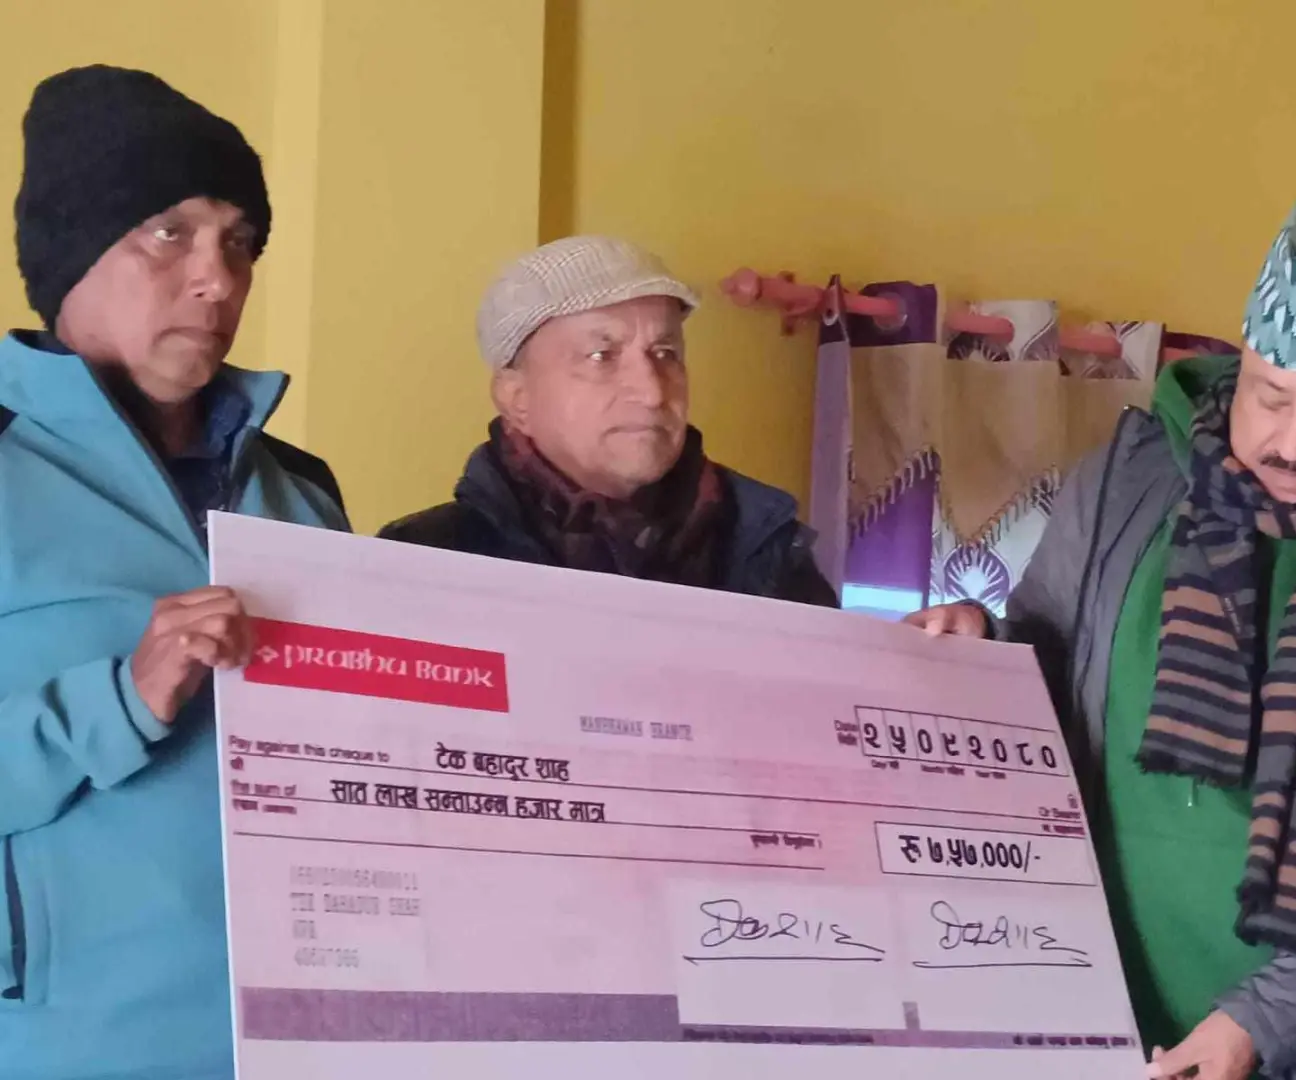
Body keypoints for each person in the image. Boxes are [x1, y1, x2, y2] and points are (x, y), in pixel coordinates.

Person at [913, 186, 1296, 1080]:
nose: (1291, 442)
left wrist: (1259, 1025)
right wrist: (981, 645)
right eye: (1270, 395)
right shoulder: (1128, 480)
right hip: (1095, 1025)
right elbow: (1044, 671)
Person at [0, 66, 348, 1080]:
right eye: (170, 232)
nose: (218, 279)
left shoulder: (302, 491)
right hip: (69, 1050)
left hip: (306, 1044)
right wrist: (118, 701)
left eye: (241, 242)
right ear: (72, 254)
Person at [381, 235, 837, 606]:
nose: (653, 392)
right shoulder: (420, 566)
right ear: (517, 398)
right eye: (602, 356)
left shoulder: (769, 551)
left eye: (666, 353)